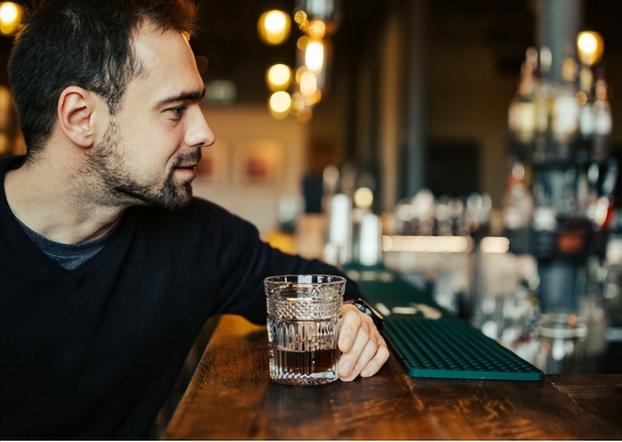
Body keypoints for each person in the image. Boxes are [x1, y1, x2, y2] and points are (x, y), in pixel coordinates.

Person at [0, 0, 388, 438]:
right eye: (175, 110)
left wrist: (354, 315)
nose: (205, 132)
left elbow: (325, 288)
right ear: (80, 117)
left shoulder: (200, 240)